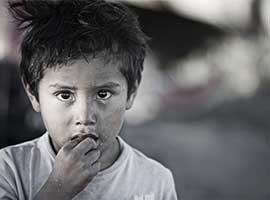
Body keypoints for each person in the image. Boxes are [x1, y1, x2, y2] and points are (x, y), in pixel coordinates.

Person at [0, 0, 178, 199]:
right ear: (33, 93)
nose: (85, 117)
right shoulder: (9, 170)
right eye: (65, 95)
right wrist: (58, 188)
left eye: (103, 94)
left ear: (132, 92)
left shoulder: (155, 180)